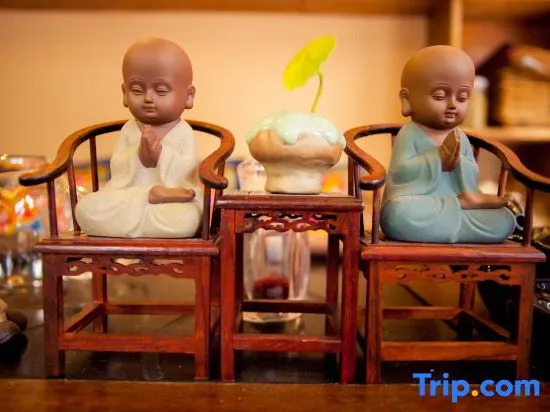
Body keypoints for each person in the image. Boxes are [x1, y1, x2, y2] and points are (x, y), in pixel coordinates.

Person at [380, 45, 515, 243]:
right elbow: (400, 172)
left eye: (462, 97)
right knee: (397, 214)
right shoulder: (409, 134)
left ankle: (457, 215)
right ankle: (459, 220)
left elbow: (472, 173)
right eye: (440, 96)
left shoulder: (460, 136)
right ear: (407, 99)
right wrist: (437, 159)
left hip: (461, 206)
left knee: (504, 220)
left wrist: (458, 162)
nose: (453, 105)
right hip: (421, 205)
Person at [75, 38, 202, 238]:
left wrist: (161, 155)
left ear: (188, 96)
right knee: (85, 209)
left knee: (187, 218)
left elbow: (188, 170)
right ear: (125, 93)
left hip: (173, 201)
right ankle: (151, 195)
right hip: (131, 195)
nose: (148, 98)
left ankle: (157, 200)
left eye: (161, 91)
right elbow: (118, 167)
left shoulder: (183, 131)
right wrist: (137, 156)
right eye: (137, 90)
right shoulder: (130, 129)